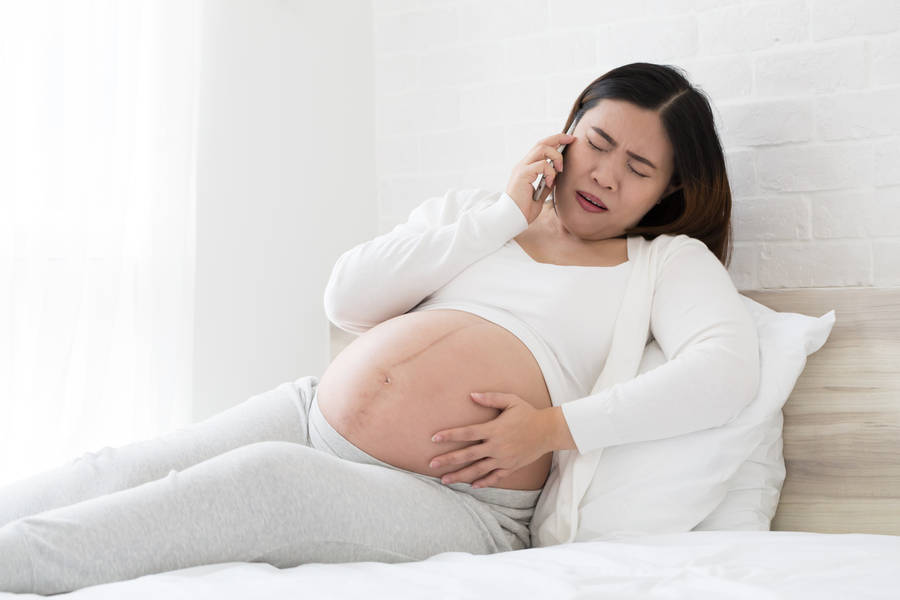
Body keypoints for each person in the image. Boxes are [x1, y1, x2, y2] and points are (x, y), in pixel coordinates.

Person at [0, 62, 759, 594]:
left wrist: (551, 428)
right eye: (597, 143)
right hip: (311, 412)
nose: (605, 174)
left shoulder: (662, 264)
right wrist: (501, 215)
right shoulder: (477, 215)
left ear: (667, 192)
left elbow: (726, 373)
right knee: (109, 469)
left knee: (263, 482)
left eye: (639, 168)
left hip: (461, 500)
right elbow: (348, 299)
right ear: (565, 135)